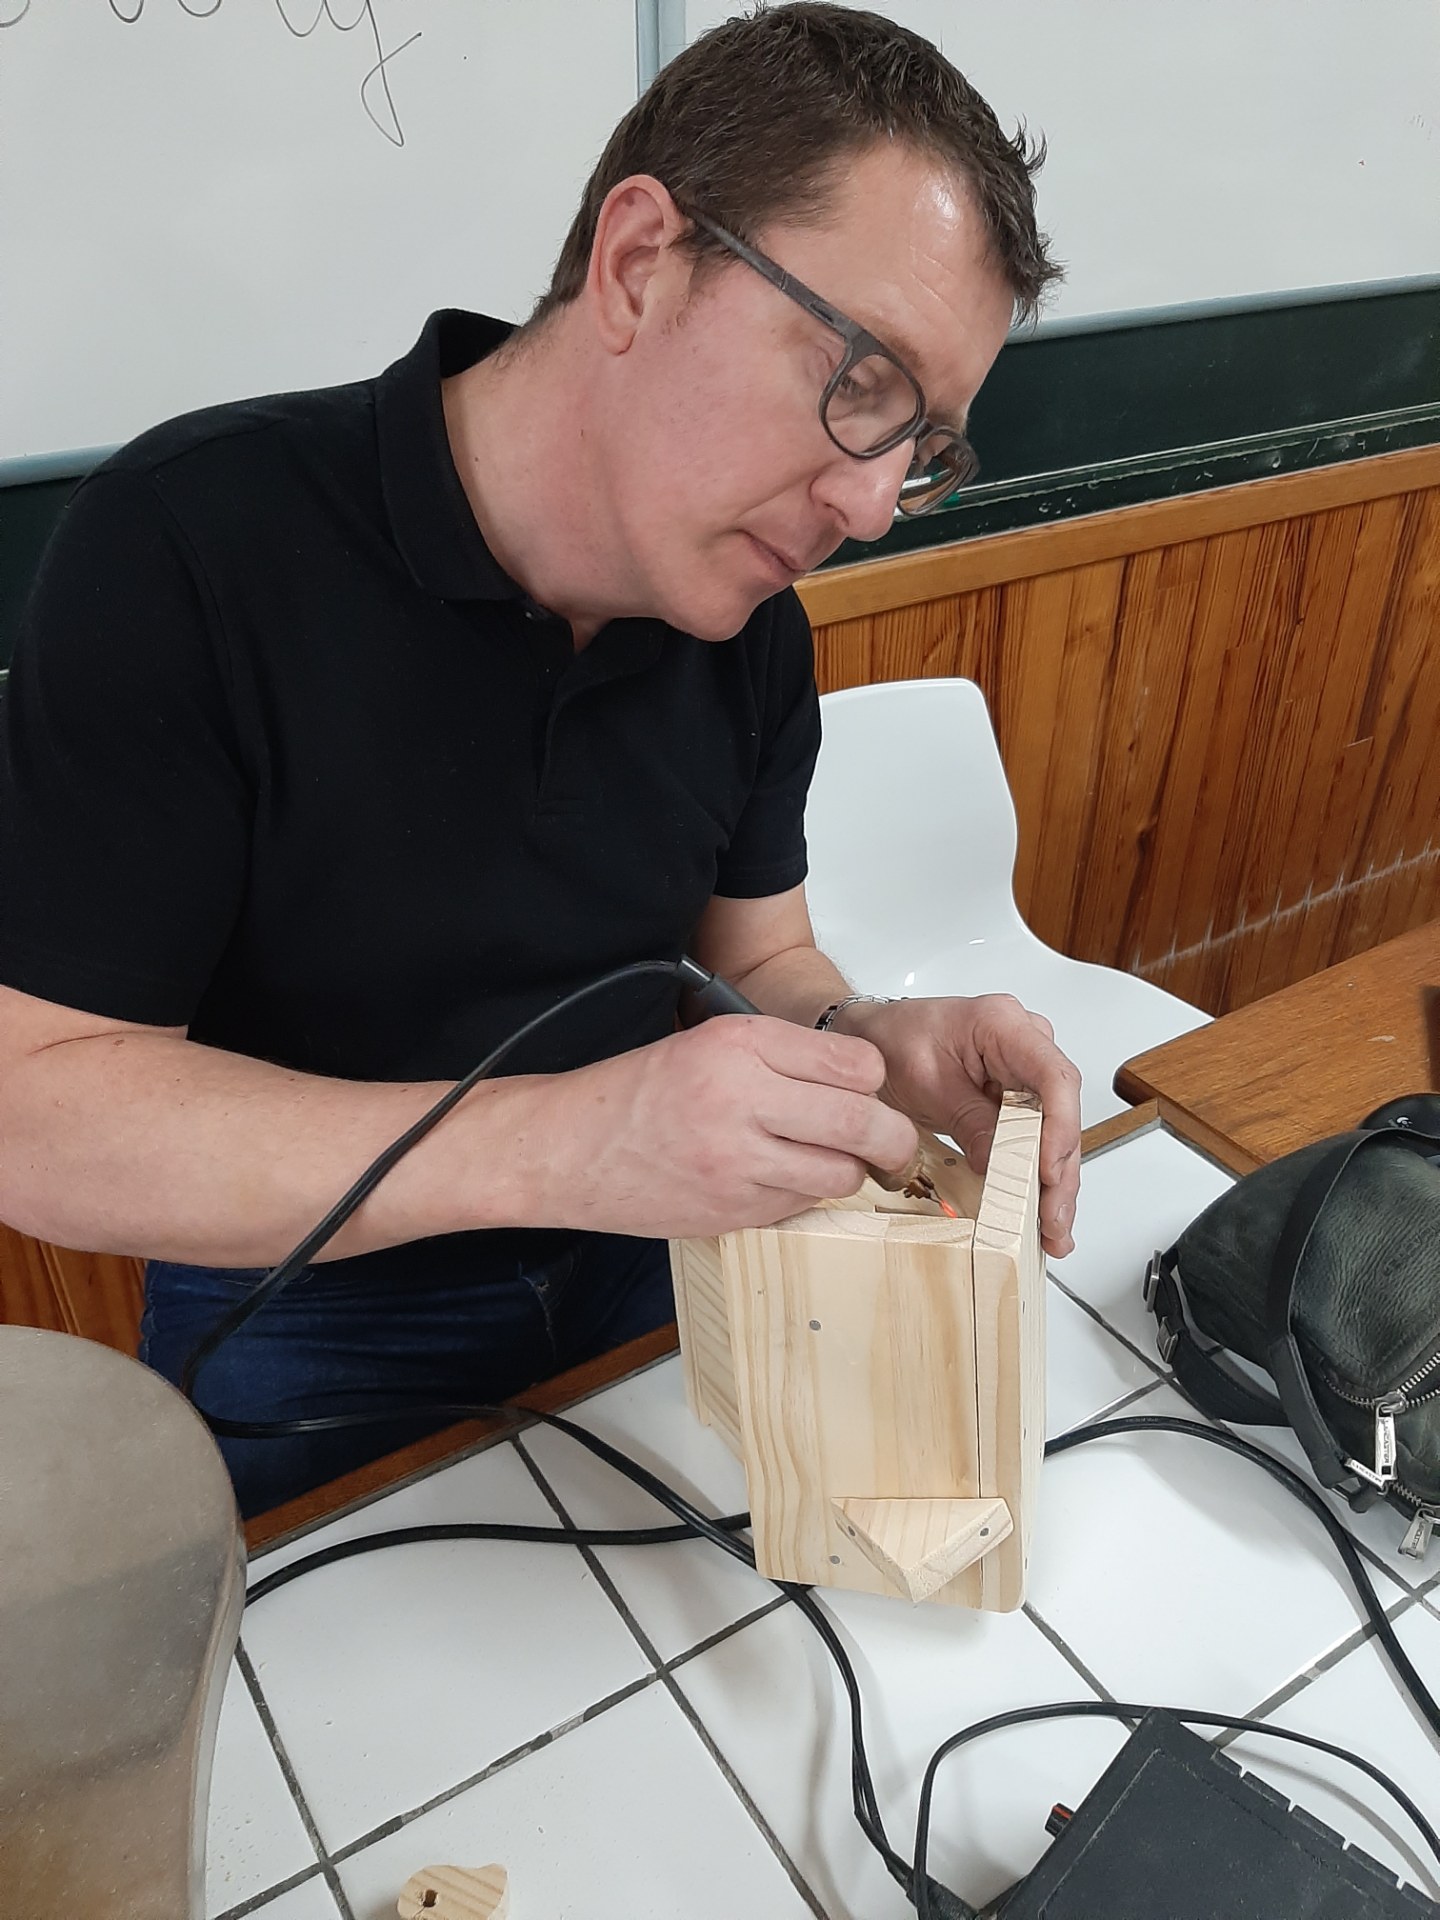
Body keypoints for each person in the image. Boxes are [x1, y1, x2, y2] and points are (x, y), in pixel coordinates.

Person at [0, 3, 1078, 1517]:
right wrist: (567, 1144)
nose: (869, 502)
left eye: (924, 446)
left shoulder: (747, 620)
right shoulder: (190, 546)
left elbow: (758, 958)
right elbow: (38, 1113)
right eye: (860, 383)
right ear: (638, 264)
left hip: (659, 1246)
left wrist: (866, 1045)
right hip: (309, 1296)